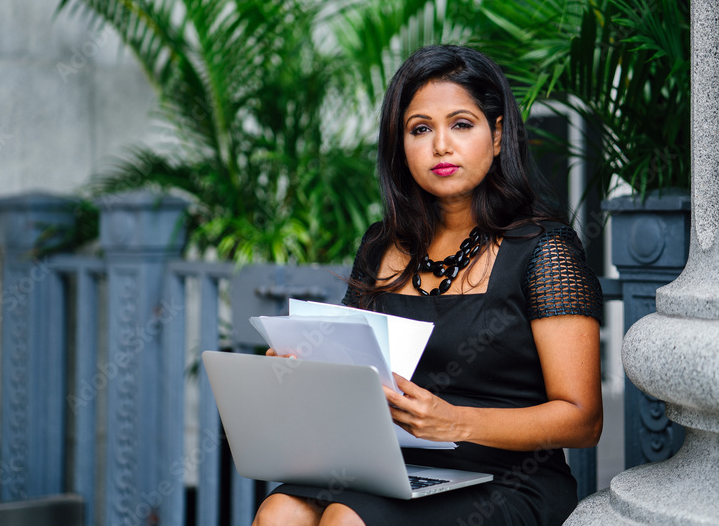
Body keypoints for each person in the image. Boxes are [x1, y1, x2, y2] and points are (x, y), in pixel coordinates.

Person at [254, 45, 603, 525]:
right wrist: (306, 374)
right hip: (390, 468)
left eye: (462, 124)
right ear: (401, 146)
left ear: (497, 136)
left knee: (346, 521)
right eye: (421, 129)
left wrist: (454, 422)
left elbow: (583, 419)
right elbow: (357, 377)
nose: (441, 145)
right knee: (279, 511)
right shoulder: (381, 245)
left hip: (505, 478)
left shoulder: (546, 250)